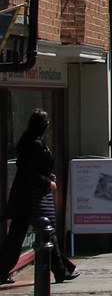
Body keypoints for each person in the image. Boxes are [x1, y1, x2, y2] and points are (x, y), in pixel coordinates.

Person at [0, 109, 78, 284]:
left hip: (27, 197)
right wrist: (47, 183)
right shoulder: (34, 144)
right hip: (32, 198)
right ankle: (61, 270)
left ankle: (62, 269)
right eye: (46, 124)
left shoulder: (29, 142)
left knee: (19, 237)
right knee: (46, 233)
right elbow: (31, 172)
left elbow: (32, 169)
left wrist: (47, 177)